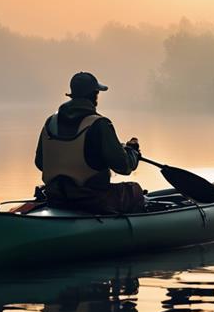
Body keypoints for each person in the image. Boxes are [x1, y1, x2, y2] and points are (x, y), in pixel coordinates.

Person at [35, 72, 145, 215]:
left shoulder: (50, 122)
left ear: (72, 94)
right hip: (91, 200)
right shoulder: (99, 124)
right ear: (94, 95)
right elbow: (124, 167)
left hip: (56, 197)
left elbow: (40, 163)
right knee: (135, 191)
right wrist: (132, 151)